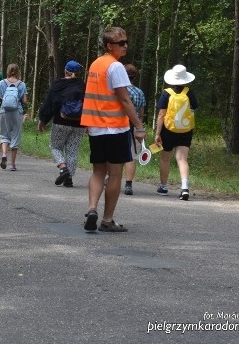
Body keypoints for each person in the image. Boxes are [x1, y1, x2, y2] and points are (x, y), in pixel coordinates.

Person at [79, 27, 145, 233]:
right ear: (109, 45)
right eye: (121, 43)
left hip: (96, 128)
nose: (126, 45)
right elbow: (124, 99)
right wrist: (139, 126)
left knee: (98, 172)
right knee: (115, 174)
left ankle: (91, 209)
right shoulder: (116, 67)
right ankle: (107, 220)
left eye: (126, 42)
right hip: (115, 129)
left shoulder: (96, 64)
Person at [37, 60, 85, 187]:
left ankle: (63, 168)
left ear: (65, 71)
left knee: (55, 147)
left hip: (60, 122)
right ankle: (69, 179)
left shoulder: (58, 85)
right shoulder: (84, 86)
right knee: (72, 151)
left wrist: (43, 120)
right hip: (79, 124)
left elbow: (49, 104)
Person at [155, 64, 198, 201]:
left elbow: (161, 114)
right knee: (182, 159)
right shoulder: (189, 92)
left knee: (165, 158)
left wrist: (157, 133)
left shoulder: (166, 93)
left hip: (168, 130)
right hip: (185, 130)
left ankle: (163, 186)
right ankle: (184, 187)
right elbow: (194, 108)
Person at [0, 63, 28, 170]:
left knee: (4, 134)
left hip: (4, 111)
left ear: (8, 71)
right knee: (15, 135)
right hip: (17, 112)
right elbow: (24, 101)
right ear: (18, 71)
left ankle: (4, 154)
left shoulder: (1, 83)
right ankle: (12, 164)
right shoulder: (22, 84)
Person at [123, 64, 147, 195]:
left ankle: (110, 178)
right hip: (133, 127)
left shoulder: (118, 90)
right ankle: (128, 185)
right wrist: (140, 127)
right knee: (131, 156)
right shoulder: (139, 92)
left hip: (118, 126)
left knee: (114, 154)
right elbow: (141, 114)